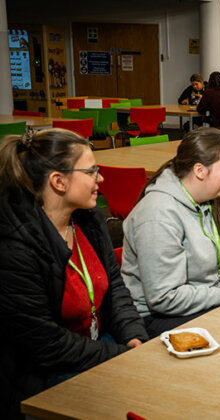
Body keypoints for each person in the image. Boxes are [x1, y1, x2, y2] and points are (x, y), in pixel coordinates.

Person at [0, 129, 148, 419]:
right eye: (91, 171)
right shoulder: (15, 249)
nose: (100, 178)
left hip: (94, 347)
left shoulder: (87, 219)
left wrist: (134, 337)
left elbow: (115, 288)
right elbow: (47, 345)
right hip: (40, 374)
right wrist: (122, 357)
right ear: (58, 181)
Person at [121, 127, 220, 338]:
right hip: (157, 318)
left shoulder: (215, 201)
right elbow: (164, 298)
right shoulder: (158, 214)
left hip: (202, 303)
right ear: (199, 171)